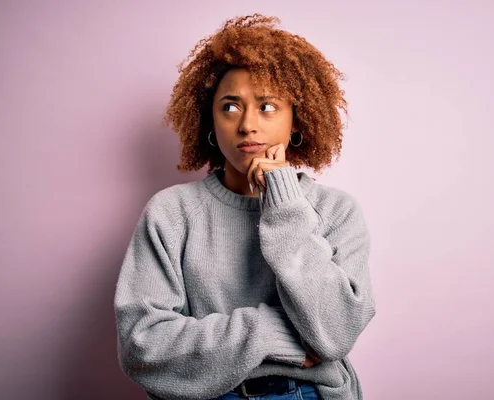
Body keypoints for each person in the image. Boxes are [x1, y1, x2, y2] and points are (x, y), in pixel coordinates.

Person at [114, 14, 376, 400]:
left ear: (295, 119)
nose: (248, 125)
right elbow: (143, 345)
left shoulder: (337, 211)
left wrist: (282, 200)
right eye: (230, 107)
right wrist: (277, 336)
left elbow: (336, 334)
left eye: (268, 106)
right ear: (210, 120)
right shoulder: (171, 212)